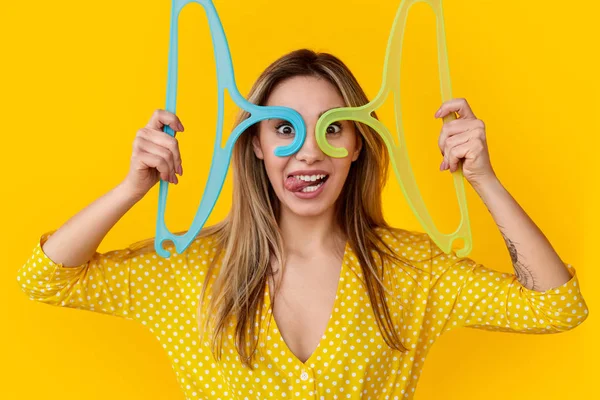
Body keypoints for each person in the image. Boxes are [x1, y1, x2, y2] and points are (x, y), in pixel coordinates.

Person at [16, 49, 588, 399]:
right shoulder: (190, 271)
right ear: (257, 146)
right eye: (284, 129)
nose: (309, 151)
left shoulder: (412, 271)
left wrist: (484, 178)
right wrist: (131, 188)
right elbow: (44, 277)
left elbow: (555, 307)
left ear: (360, 144)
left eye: (333, 127)